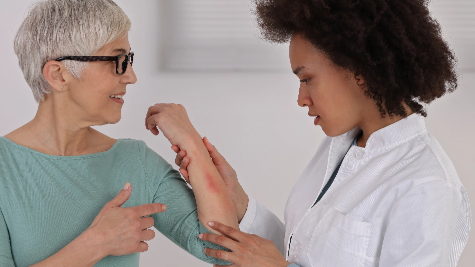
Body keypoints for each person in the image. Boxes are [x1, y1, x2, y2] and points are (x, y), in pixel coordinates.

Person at [164, 0, 472, 266]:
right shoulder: (340, 146)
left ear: (359, 71)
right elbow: (299, 252)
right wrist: (239, 201)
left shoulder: (427, 186)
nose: (301, 99)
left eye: (307, 78)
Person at [0, 0, 237, 266]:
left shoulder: (136, 161)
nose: (131, 76)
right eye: (117, 60)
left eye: (128, 60)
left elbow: (224, 251)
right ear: (58, 75)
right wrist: (96, 243)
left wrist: (192, 144)